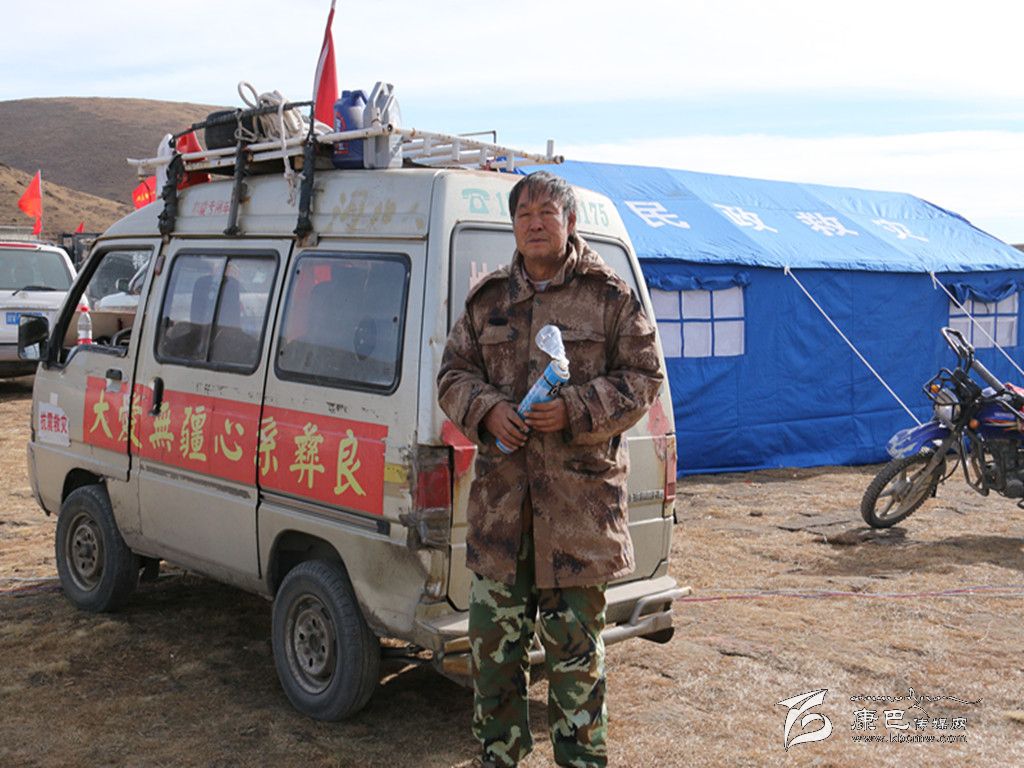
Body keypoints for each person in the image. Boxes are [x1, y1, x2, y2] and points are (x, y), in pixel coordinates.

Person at [437, 171, 664, 767]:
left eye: (547, 213)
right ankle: (500, 757)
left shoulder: (609, 296)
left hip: (577, 517)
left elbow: (645, 377)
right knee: (493, 658)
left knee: (575, 662)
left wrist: (575, 409)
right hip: (502, 517)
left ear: (569, 222)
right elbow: (452, 375)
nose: (535, 223)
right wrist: (487, 410)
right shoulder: (489, 300)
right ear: (513, 225)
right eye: (524, 214)